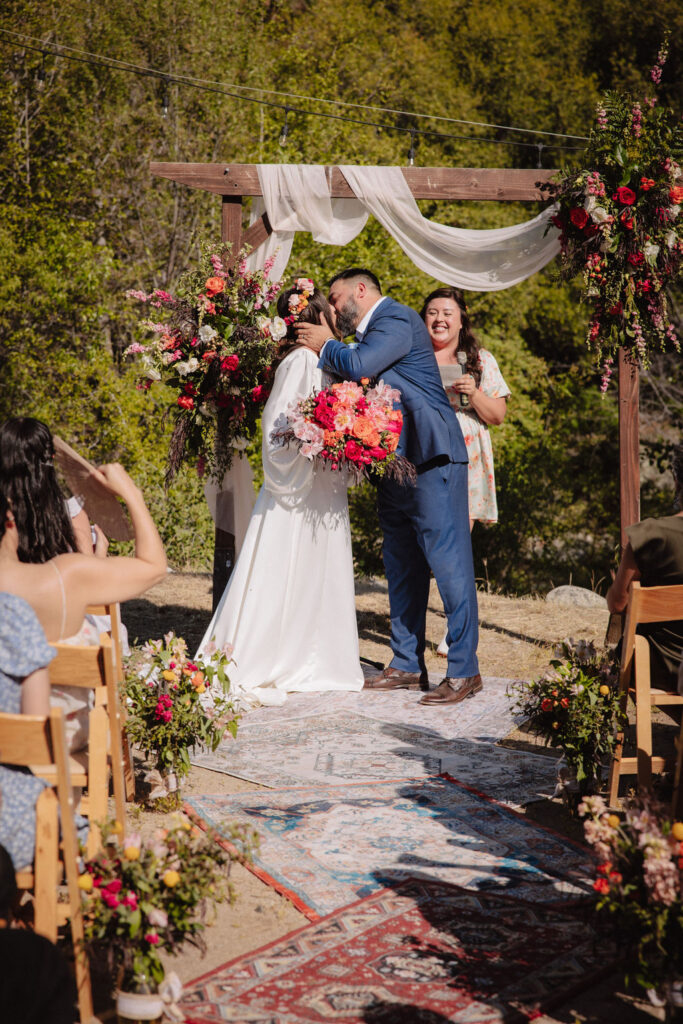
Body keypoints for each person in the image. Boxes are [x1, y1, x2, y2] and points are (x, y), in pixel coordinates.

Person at [296, 268, 480, 706]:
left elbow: (359, 365)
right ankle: (405, 664)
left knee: (449, 565)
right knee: (400, 565)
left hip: (433, 457)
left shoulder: (394, 319)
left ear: (361, 291)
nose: (334, 308)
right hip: (394, 463)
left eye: (337, 298)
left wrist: (324, 344)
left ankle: (464, 671)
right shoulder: (370, 332)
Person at [196, 281, 364, 707]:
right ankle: (276, 656)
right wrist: (323, 437)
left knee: (317, 568)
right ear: (317, 317)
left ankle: (317, 656)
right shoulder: (301, 363)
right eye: (332, 311)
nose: (339, 319)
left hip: (322, 485)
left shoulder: (324, 363)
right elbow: (278, 430)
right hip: (300, 489)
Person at [421, 287, 509, 657]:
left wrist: (472, 393)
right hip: (423, 451)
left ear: (461, 318)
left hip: (466, 456)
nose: (439, 319)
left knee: (454, 549)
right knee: (422, 547)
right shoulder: (413, 355)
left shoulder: (479, 359)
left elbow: (498, 416)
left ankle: (455, 632)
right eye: (432, 312)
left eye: (447, 312)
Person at [607, 443, 683, 690]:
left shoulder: (651, 535)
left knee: (626, 652)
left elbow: (618, 604)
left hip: (664, 665)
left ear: (676, 479)